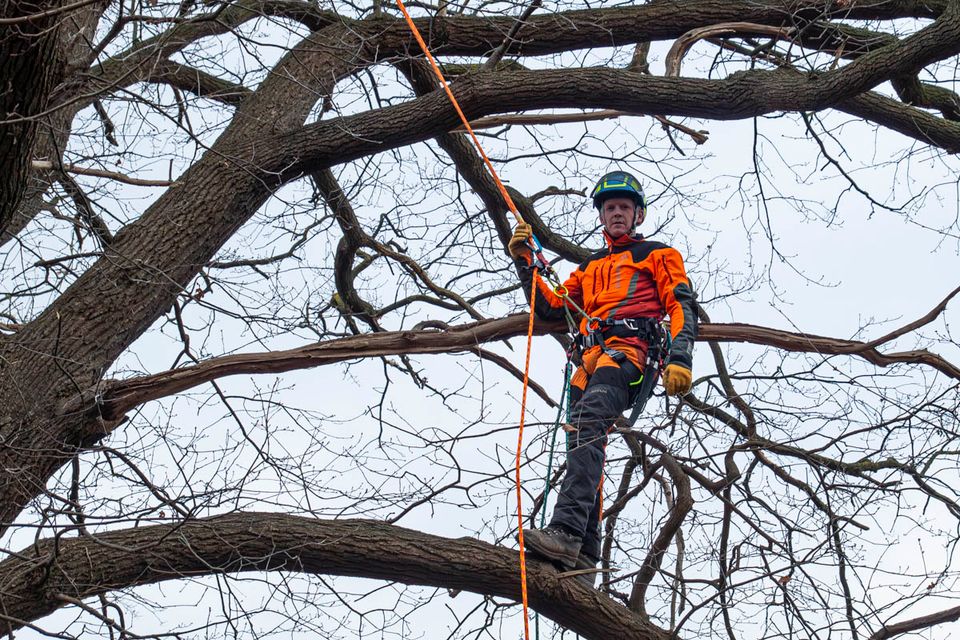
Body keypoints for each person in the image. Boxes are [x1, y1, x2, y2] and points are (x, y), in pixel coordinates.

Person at [508, 170, 698, 587]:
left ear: (638, 215)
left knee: (590, 425)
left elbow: (682, 304)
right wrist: (525, 259)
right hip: (588, 363)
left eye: (624, 208)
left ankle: (567, 531)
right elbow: (551, 309)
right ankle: (585, 555)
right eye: (610, 208)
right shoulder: (590, 267)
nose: (616, 213)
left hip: (629, 355)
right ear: (601, 215)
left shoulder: (658, 254)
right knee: (580, 438)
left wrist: (680, 358)